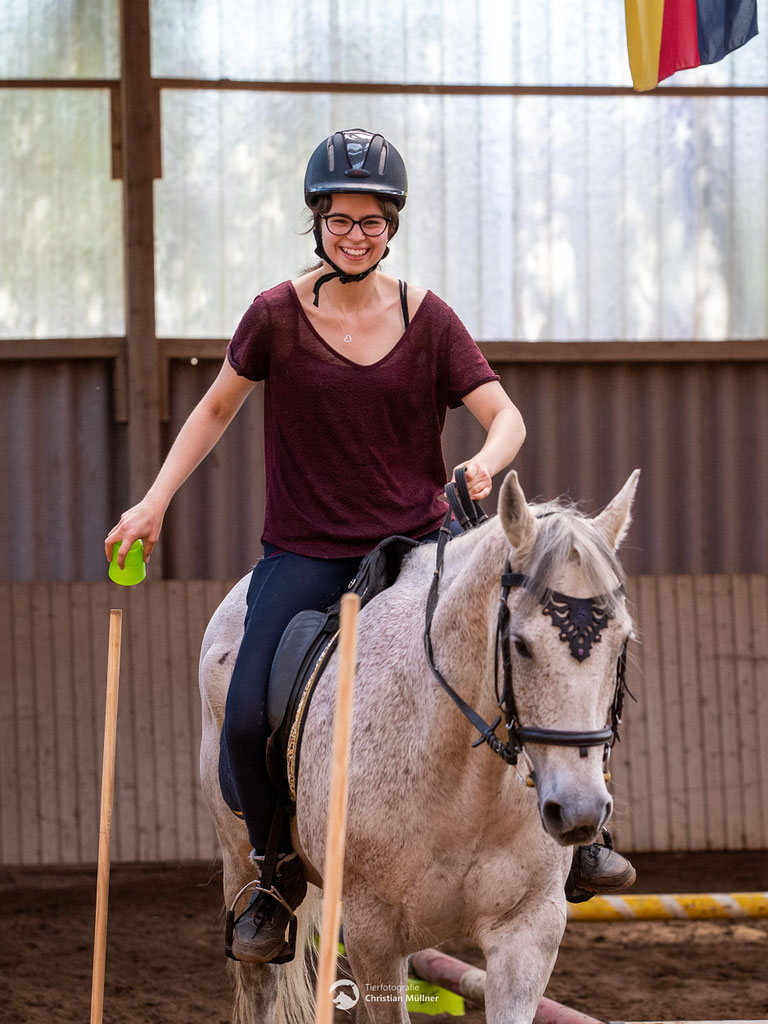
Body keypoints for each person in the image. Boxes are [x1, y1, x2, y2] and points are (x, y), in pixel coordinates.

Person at [105, 128, 634, 965]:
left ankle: (577, 839)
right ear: (316, 221)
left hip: (420, 548)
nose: (356, 234)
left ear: (394, 225)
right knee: (245, 715)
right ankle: (276, 879)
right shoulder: (274, 315)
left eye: (373, 221)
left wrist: (487, 460)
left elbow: (507, 417)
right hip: (306, 554)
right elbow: (213, 410)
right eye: (340, 219)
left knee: (539, 647)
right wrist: (154, 500)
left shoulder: (428, 319)